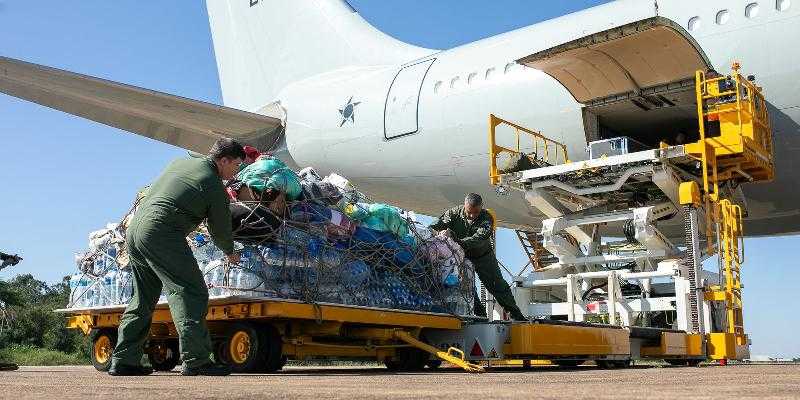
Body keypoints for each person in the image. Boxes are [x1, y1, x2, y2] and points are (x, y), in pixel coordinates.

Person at [109, 138, 245, 376]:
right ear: (223, 160)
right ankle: (196, 360)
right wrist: (229, 251)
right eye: (236, 165)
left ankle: (123, 360)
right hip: (162, 232)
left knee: (143, 297)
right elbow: (220, 228)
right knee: (191, 291)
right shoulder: (212, 184)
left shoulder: (180, 163)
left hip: (136, 230)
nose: (236, 171)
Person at [430, 193, 527, 321]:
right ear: (464, 206)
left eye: (475, 213)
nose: (472, 216)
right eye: (469, 212)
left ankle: (517, 316)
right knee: (465, 287)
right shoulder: (453, 213)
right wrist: (433, 231)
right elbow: (438, 224)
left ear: (481, 208)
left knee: (497, 286)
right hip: (462, 256)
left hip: (483, 257)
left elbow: (479, 238)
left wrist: (457, 240)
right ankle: (481, 316)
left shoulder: (486, 218)